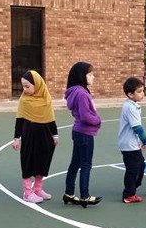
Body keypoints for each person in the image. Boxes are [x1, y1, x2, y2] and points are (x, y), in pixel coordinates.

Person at [12, 70, 58, 203]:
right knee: (28, 161)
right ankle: (27, 192)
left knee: (42, 161)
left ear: (37, 85)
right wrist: (16, 138)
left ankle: (38, 188)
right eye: (23, 86)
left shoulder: (46, 98)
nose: (24, 89)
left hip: (45, 135)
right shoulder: (24, 100)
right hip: (29, 135)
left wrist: (55, 135)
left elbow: (51, 118)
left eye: (27, 86)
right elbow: (19, 120)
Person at [63, 62, 102, 207]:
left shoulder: (75, 91)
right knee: (86, 164)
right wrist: (98, 120)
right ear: (82, 76)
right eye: (90, 74)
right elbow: (86, 116)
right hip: (85, 132)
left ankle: (69, 193)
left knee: (75, 163)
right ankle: (84, 195)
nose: (93, 77)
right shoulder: (82, 93)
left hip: (78, 131)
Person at [118, 77, 146, 203]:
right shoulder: (130, 107)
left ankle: (132, 187)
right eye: (139, 91)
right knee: (133, 169)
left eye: (143, 91)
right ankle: (128, 194)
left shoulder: (133, 105)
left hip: (133, 144)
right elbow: (137, 127)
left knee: (141, 165)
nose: (142, 94)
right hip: (129, 145)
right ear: (130, 94)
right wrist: (145, 140)